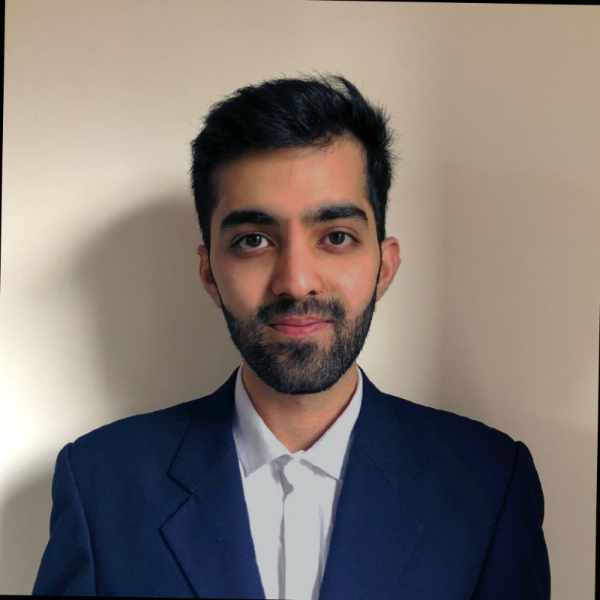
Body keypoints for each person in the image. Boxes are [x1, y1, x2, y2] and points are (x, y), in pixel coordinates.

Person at [33, 74, 550, 599]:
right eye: (254, 240)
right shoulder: (99, 484)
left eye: (336, 237)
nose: (297, 281)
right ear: (209, 272)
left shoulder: (490, 485)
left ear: (384, 266)